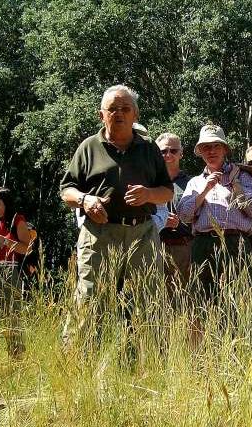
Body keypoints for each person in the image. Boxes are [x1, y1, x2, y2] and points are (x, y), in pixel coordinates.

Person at [59, 85, 173, 352]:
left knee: (147, 300)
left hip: (142, 235)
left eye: (125, 109)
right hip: (98, 235)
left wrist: (148, 194)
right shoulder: (88, 147)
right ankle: (76, 363)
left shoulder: (149, 150)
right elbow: (66, 190)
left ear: (135, 115)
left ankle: (147, 363)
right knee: (90, 298)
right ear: (102, 115)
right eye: (112, 109)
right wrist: (85, 200)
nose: (118, 114)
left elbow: (166, 191)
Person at [177, 124, 252, 305]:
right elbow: (183, 215)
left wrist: (236, 186)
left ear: (225, 149)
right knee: (204, 302)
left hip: (236, 243)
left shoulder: (244, 176)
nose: (211, 151)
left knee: (241, 301)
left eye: (216, 146)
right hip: (203, 244)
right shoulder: (195, 182)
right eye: (206, 147)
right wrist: (205, 189)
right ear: (200, 151)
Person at [0, 187, 33, 357]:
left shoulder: (17, 220)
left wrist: (5, 241)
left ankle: (16, 357)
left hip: (11, 270)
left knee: (12, 316)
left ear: (6, 204)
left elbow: (27, 249)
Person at [155, 132, 193, 297]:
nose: (168, 155)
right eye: (163, 151)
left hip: (183, 248)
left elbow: (199, 218)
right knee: (156, 297)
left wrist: (180, 225)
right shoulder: (149, 183)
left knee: (184, 298)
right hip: (154, 247)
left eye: (173, 150)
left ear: (181, 153)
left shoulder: (192, 183)